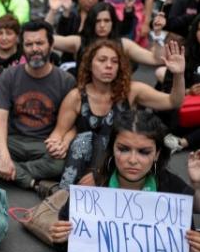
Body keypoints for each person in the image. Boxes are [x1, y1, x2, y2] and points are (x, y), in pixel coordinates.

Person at [50, 110, 200, 252]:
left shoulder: (172, 189)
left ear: (157, 154)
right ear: (112, 148)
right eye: (124, 149)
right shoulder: (92, 187)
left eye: (144, 152)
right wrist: (61, 238)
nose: (132, 160)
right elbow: (66, 248)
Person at [49, 39, 185, 191]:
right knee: (84, 139)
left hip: (121, 160)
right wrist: (56, 144)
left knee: (107, 138)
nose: (109, 65)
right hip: (83, 161)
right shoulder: (76, 96)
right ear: (89, 64)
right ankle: (65, 194)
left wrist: (178, 75)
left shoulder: (131, 91)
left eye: (114, 61)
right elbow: (59, 132)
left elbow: (174, 101)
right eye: (102, 60)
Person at [0, 20, 76, 191]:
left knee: (60, 164)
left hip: (43, 143)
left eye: (39, 43)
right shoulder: (10, 75)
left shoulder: (66, 80)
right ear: (22, 46)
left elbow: (73, 122)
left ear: (51, 45)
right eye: (29, 44)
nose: (34, 49)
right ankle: (30, 181)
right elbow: (0, 119)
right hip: (13, 140)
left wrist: (65, 142)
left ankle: (2, 171)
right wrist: (4, 155)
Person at [53, 2, 163, 73]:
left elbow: (155, 60)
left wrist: (158, 34)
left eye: (106, 21)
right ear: (91, 22)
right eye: (98, 21)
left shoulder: (124, 44)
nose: (102, 25)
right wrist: (52, 11)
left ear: (113, 22)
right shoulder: (79, 41)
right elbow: (48, 40)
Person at [158, 15, 200, 153]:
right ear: (195, 31)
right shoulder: (183, 55)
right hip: (182, 111)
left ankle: (181, 143)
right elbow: (166, 90)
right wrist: (188, 91)